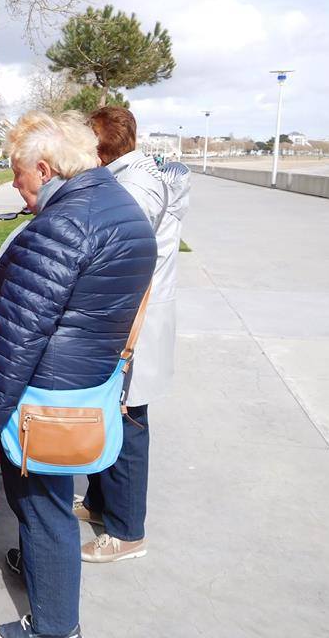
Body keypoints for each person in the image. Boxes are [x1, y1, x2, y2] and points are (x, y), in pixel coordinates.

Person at [0, 111, 156, 638]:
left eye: (19, 176)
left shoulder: (60, 226)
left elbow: (14, 347)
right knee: (50, 511)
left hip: (47, 400)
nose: (17, 189)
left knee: (43, 512)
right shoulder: (121, 207)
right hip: (89, 384)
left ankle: (53, 626)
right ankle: (50, 580)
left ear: (43, 170)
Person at [74, 106, 191, 562]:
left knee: (127, 419)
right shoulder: (132, 174)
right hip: (129, 315)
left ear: (101, 148)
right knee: (109, 411)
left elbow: (116, 252)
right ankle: (102, 504)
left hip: (134, 320)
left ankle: (126, 531)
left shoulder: (136, 185)